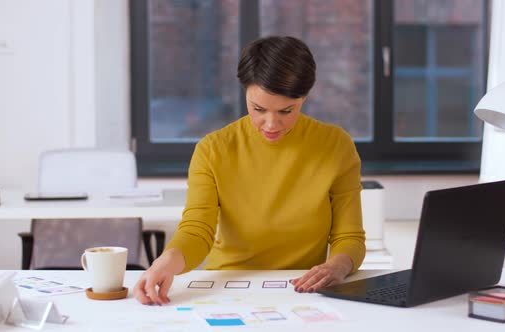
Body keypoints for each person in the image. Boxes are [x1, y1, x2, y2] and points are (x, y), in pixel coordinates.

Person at [134, 36, 366, 305]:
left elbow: (349, 237)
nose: (270, 124)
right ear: (245, 92)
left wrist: (336, 267)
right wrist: (165, 262)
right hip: (228, 288)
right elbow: (197, 230)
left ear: (304, 97)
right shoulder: (213, 149)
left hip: (302, 290)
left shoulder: (336, 145)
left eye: (285, 111)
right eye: (258, 109)